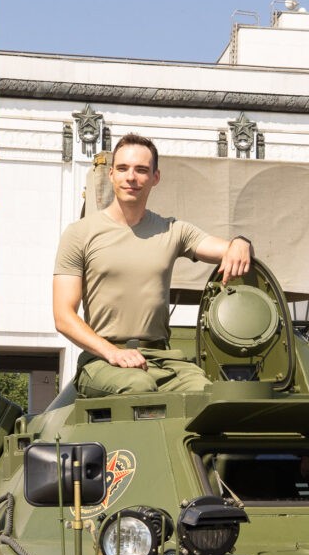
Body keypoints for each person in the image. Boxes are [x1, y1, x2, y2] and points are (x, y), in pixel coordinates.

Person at [52, 134, 252, 396]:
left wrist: (241, 242)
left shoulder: (173, 230)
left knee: (206, 394)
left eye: (141, 170)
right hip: (102, 359)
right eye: (122, 168)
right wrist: (111, 352)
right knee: (138, 387)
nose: (131, 177)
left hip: (161, 358)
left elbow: (226, 249)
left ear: (155, 177)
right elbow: (63, 316)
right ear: (111, 174)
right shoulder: (79, 234)